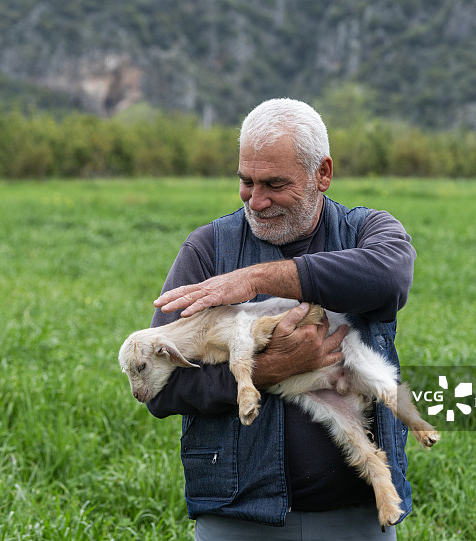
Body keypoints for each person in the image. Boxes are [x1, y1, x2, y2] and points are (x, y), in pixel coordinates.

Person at [147, 98, 416, 540]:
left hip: (357, 516)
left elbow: (389, 279)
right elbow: (160, 388)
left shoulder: (367, 231)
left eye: (274, 183)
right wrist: (269, 369)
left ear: (322, 174)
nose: (256, 200)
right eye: (246, 182)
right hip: (238, 518)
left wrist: (256, 278)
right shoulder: (207, 249)